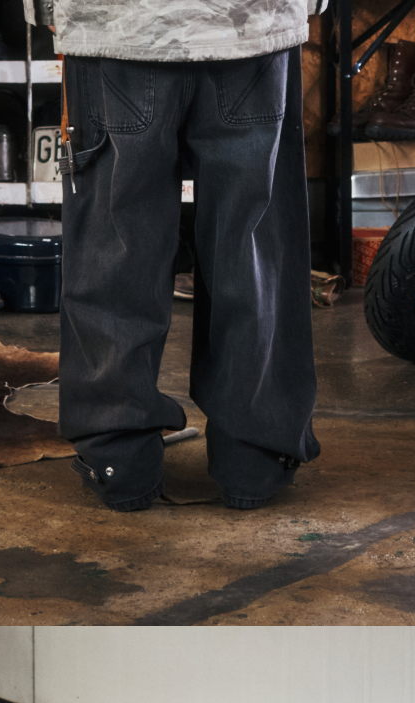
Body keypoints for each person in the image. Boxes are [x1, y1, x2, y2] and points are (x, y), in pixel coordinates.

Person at [52, 41, 318, 515]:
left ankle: (119, 458)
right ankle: (253, 458)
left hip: (118, 24)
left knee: (116, 239)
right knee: (252, 243)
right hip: (251, 21)